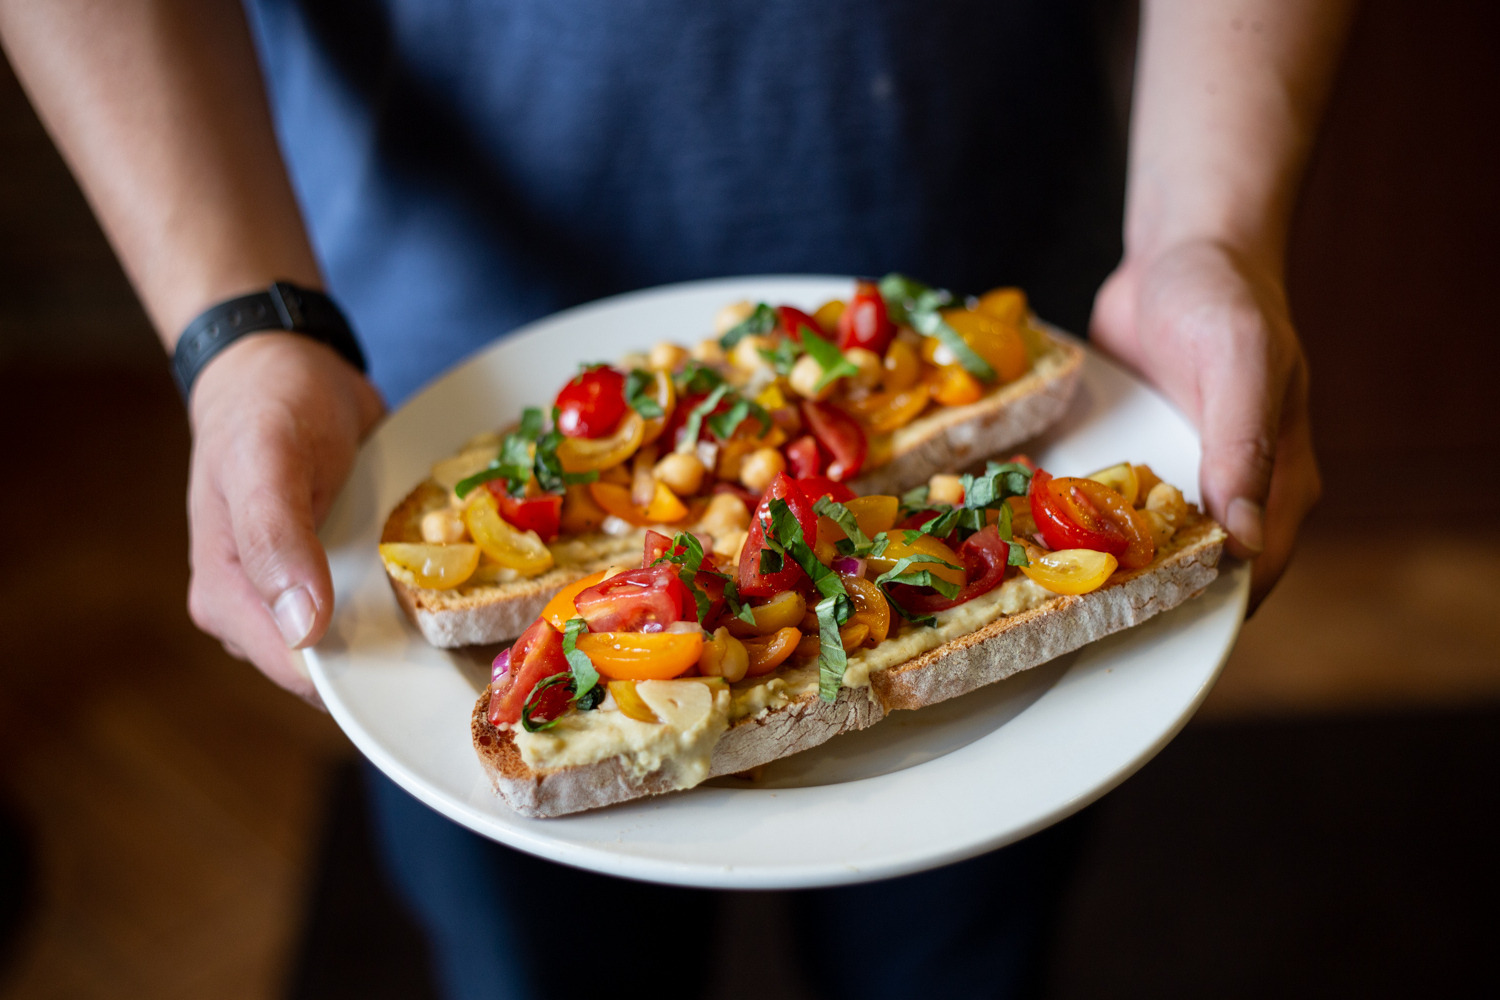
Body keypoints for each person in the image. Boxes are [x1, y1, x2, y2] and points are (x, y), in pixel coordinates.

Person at [0, 1, 1346, 995]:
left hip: (1005, 243)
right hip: (412, 377)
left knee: (958, 962)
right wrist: (246, 324)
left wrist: (1205, 230)